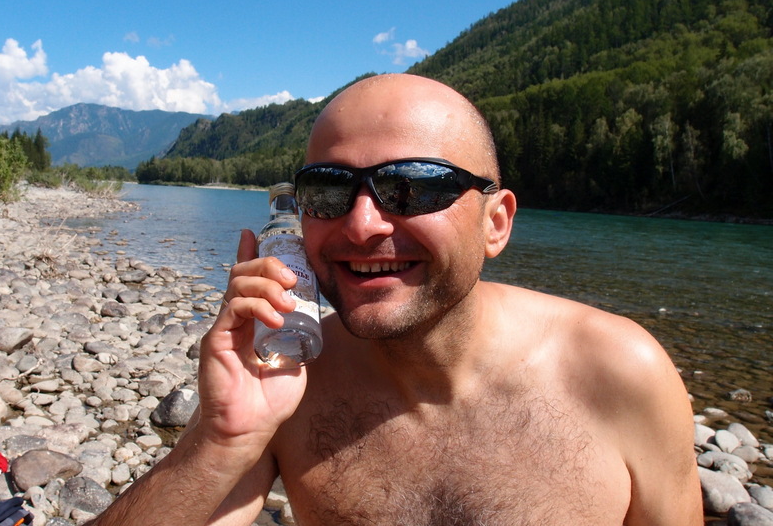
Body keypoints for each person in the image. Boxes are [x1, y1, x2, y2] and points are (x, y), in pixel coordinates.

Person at [88, 74, 703, 525]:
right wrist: (219, 443)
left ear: (496, 222)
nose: (361, 226)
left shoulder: (620, 374)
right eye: (328, 191)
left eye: (411, 188)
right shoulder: (289, 384)